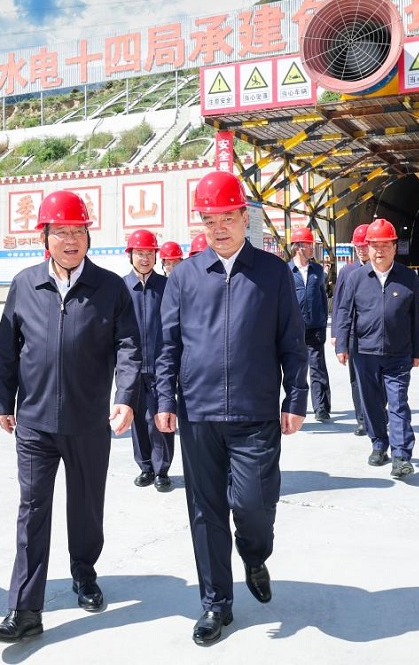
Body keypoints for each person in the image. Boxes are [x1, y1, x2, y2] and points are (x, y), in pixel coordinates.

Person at [155, 171, 308, 647]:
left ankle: (255, 554)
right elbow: (167, 345)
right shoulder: (184, 276)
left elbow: (292, 342)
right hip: (198, 414)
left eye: (227, 217)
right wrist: (164, 399)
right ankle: (216, 603)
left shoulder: (272, 273)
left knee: (253, 504)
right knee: (206, 512)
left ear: (245, 217)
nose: (218, 228)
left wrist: (295, 398)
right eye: (209, 219)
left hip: (254, 412)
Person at [0, 190, 141, 643]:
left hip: (88, 421)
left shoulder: (109, 287)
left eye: (78, 231)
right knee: (32, 511)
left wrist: (126, 395)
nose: (70, 240)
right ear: (45, 238)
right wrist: (3, 401)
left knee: (86, 506)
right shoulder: (25, 284)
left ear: (89, 236)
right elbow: (6, 347)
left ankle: (84, 573)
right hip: (35, 422)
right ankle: (24, 609)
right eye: (61, 232)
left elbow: (129, 346)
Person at [333, 218, 419, 479]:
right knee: (371, 402)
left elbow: (417, 317)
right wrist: (342, 344)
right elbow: (344, 312)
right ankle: (378, 444)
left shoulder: (408, 278)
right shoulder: (356, 278)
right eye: (375, 245)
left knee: (398, 403)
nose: (379, 251)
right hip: (364, 352)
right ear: (368, 248)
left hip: (399, 353)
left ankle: (401, 456)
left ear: (395, 247)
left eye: (385, 245)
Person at [123, 229, 175, 492]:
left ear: (156, 256)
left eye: (149, 253)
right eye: (139, 253)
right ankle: (145, 466)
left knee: (160, 418)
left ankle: (162, 469)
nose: (144, 258)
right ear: (130, 255)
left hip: (161, 365)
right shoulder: (121, 288)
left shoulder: (166, 287)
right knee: (137, 419)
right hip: (131, 367)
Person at [330, 223, 377, 436]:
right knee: (356, 379)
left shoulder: (381, 270)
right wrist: (336, 334)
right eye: (357, 246)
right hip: (353, 335)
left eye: (363, 245)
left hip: (376, 334)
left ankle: (377, 413)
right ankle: (362, 420)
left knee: (378, 378)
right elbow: (339, 304)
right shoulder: (347, 271)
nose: (360, 250)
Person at [289, 226, 332, 422]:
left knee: (317, 368)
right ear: (298, 247)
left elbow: (322, 297)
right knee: (295, 371)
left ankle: (321, 408)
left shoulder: (317, 271)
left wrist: (322, 321)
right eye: (308, 245)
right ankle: (295, 407)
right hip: (293, 330)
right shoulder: (287, 271)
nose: (311, 248)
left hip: (315, 327)